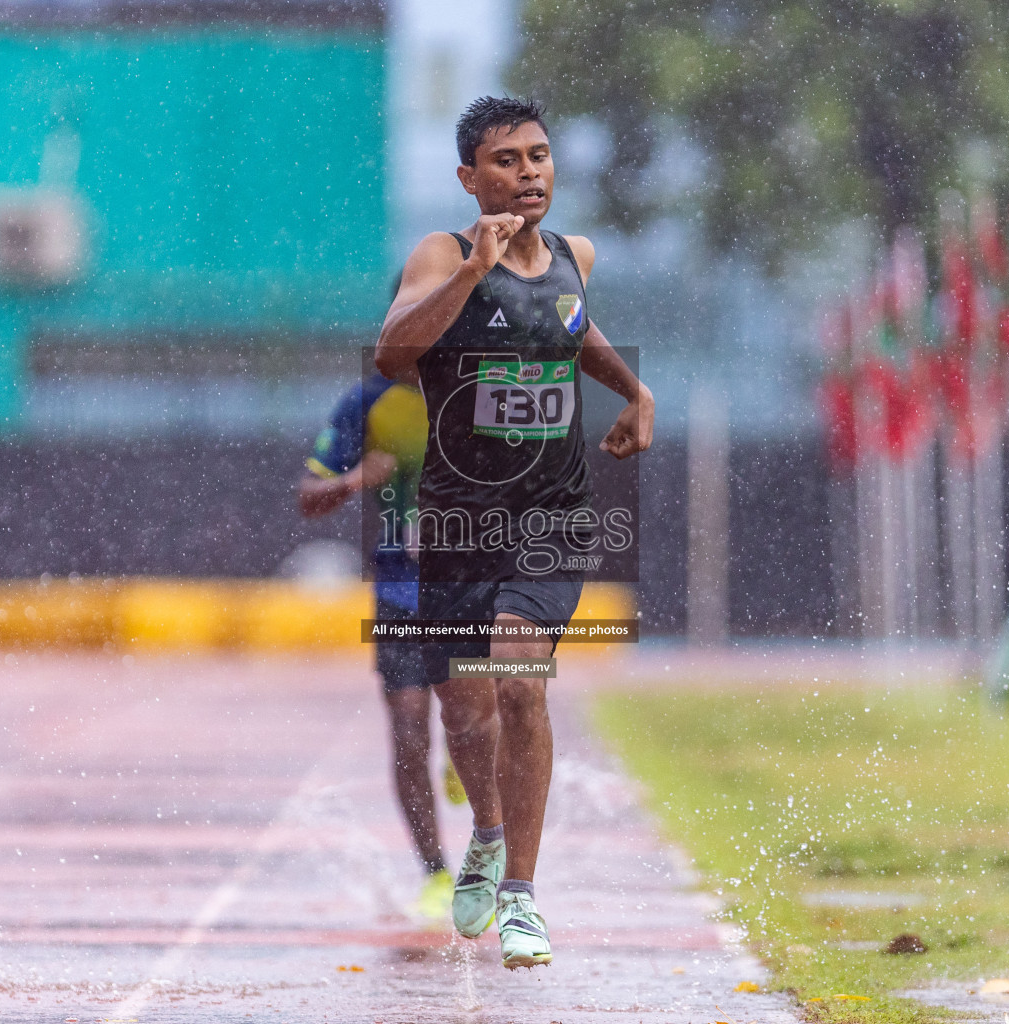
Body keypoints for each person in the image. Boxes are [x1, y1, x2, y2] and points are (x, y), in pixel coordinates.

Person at [374, 96, 654, 969]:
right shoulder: (442, 254)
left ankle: (524, 896)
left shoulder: (578, 257)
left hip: (551, 514)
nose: (528, 172)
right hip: (460, 517)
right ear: (470, 178)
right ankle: (486, 838)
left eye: (538, 155)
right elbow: (391, 352)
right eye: (506, 160)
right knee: (467, 705)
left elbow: (572, 329)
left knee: (520, 674)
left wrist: (634, 393)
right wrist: (469, 278)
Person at [298, 371, 458, 920]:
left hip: (474, 587)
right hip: (399, 593)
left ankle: (471, 764)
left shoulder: (486, 386)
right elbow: (307, 496)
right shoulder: (367, 402)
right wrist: (356, 480)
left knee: (479, 716)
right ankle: (436, 873)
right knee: (410, 728)